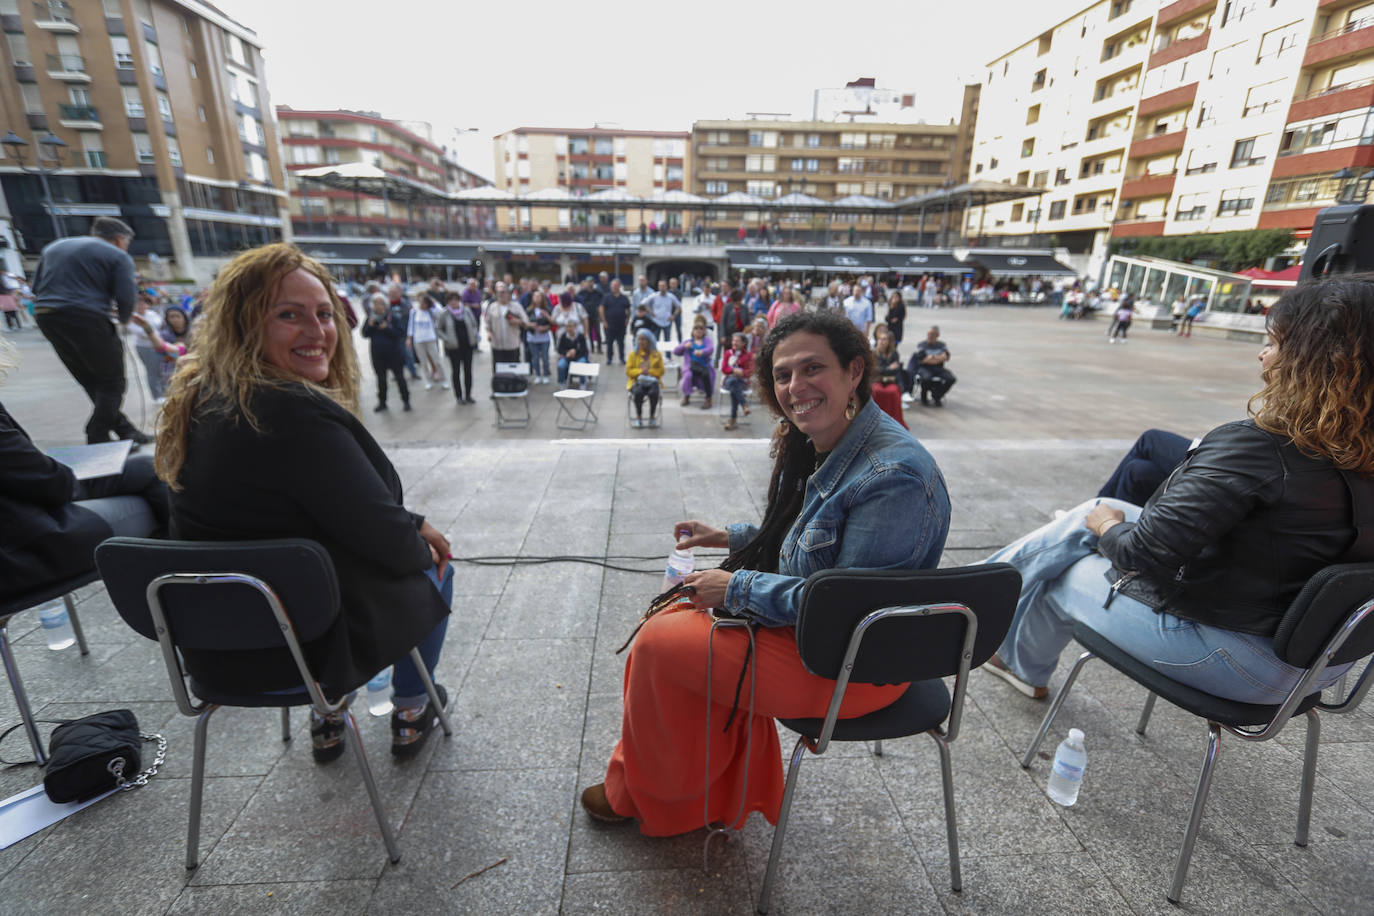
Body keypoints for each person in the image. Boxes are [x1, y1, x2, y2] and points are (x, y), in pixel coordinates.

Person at [580, 308, 950, 833]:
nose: (796, 386)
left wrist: (736, 585)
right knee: (679, 620)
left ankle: (647, 793)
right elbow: (812, 547)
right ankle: (704, 792)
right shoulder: (834, 440)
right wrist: (729, 537)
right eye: (783, 375)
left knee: (659, 646)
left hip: (855, 668)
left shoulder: (895, 476)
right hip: (821, 641)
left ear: (854, 371)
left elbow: (848, 607)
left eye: (812, 368)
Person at [984, 276, 1374, 705]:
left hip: (1246, 660)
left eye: (1277, 343)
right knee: (1100, 508)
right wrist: (1108, 518)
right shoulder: (1356, 449)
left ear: (1312, 361)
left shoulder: (1259, 448)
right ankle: (978, 590)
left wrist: (1110, 530)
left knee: (1063, 573)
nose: (1263, 355)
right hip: (1325, 661)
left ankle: (1005, 648)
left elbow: (1145, 554)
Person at [155, 243, 454, 762]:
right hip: (303, 650)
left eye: (324, 314)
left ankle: (329, 719)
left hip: (219, 652)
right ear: (243, 323)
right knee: (437, 567)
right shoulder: (294, 414)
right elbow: (385, 540)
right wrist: (417, 542)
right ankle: (409, 711)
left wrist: (412, 519)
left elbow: (310, 501)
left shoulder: (202, 399)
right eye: (289, 315)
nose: (318, 332)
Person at [0, 335, 169, 600]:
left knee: (145, 469)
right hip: (20, 550)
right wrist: (60, 471)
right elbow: (49, 486)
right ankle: (191, 584)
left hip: (20, 517)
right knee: (151, 490)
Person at [32, 217, 148, 445]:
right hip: (87, 318)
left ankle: (127, 431)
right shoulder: (118, 256)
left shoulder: (54, 247)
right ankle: (97, 434)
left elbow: (36, 287)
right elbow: (126, 296)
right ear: (119, 239)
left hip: (46, 316)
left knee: (90, 379)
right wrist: (123, 319)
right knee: (112, 383)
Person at [1097, 429, 1193, 505]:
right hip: (1205, 458)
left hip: (1206, 461)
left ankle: (1099, 504)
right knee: (1136, 469)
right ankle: (1107, 516)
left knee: (1150, 439)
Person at [361, 290, 411, 412]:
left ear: (385, 305)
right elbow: (364, 334)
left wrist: (387, 328)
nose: (378, 306)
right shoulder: (370, 318)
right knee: (381, 379)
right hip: (378, 355)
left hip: (394, 354)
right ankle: (382, 402)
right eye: (376, 303)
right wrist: (370, 325)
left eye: (381, 303)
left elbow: (400, 333)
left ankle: (406, 401)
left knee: (400, 378)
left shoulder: (392, 317)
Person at [436, 290, 479, 405]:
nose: (454, 302)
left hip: (467, 346)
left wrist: (475, 336)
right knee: (456, 372)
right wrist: (447, 339)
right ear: (448, 302)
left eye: (456, 299)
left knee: (468, 371)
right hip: (454, 348)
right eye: (451, 300)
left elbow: (474, 325)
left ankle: (468, 395)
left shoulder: (466, 311)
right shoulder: (444, 314)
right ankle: (459, 396)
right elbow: (438, 329)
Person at [906, 325, 955, 407]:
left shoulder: (941, 345)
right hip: (924, 368)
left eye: (932, 334)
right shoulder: (922, 345)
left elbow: (946, 357)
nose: (930, 336)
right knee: (926, 378)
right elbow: (923, 360)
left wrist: (931, 357)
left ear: (937, 335)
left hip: (938, 368)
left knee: (951, 379)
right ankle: (924, 396)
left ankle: (937, 395)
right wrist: (938, 358)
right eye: (929, 334)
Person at [407, 294, 448, 389]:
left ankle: (443, 379)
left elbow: (440, 312)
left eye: (424, 303)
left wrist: (434, 302)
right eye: (421, 303)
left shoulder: (431, 312)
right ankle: (428, 380)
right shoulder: (414, 312)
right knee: (423, 362)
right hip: (418, 340)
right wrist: (409, 338)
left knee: (437, 360)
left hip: (431, 339)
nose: (422, 305)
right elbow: (410, 326)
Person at [674, 315, 715, 408]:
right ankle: (686, 396)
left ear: (704, 331)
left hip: (704, 365)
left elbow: (711, 349)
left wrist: (702, 352)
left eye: (701, 329)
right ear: (693, 331)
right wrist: (684, 347)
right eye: (696, 329)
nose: (698, 330)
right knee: (688, 375)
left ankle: (708, 399)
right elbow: (675, 351)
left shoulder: (707, 340)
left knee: (707, 374)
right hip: (691, 365)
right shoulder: (688, 341)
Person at [626, 328, 664, 427]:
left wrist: (650, 372)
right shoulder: (633, 355)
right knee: (638, 393)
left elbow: (661, 371)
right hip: (637, 381)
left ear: (649, 341)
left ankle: (652, 416)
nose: (641, 342)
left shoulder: (657, 354)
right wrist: (640, 371)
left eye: (643, 339)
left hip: (653, 381)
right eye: (639, 339)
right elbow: (628, 371)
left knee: (653, 393)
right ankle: (639, 417)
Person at [484, 281, 528, 364]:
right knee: (499, 373)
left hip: (512, 346)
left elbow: (526, 322)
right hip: (497, 346)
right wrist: (489, 333)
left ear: (508, 294)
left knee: (513, 373)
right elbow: (488, 324)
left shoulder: (516, 306)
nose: (501, 294)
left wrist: (517, 321)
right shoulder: (492, 307)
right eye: (498, 293)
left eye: (503, 292)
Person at [720, 331, 753, 430]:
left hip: (742, 382)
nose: (734, 343)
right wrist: (734, 371)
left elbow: (750, 371)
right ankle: (744, 405)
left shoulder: (748, 355)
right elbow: (724, 368)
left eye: (737, 341)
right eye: (733, 340)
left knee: (734, 387)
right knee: (733, 382)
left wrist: (741, 373)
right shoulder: (727, 353)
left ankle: (733, 420)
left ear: (744, 343)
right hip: (728, 381)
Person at [525, 290, 554, 384]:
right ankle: (537, 375)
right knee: (535, 358)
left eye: (539, 296)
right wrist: (530, 325)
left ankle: (546, 375)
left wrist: (545, 325)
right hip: (533, 338)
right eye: (535, 296)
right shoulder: (529, 310)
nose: (537, 298)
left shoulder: (547, 309)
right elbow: (524, 323)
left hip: (544, 338)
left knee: (545, 358)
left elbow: (552, 323)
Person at [601, 278, 631, 365]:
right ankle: (609, 358)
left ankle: (622, 358)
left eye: (616, 286)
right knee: (609, 343)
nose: (614, 287)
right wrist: (604, 321)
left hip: (621, 325)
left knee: (621, 343)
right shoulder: (606, 297)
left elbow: (628, 310)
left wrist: (627, 320)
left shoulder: (624, 298)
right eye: (613, 286)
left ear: (619, 286)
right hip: (609, 325)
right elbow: (601, 308)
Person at [556, 319, 590, 386]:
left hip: (579, 356)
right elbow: (560, 349)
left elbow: (584, 350)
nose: (569, 328)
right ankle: (562, 382)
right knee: (560, 365)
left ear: (575, 327)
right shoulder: (564, 336)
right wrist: (567, 353)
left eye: (571, 326)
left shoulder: (580, 336)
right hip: (567, 357)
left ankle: (582, 383)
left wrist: (575, 352)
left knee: (581, 363)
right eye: (567, 327)